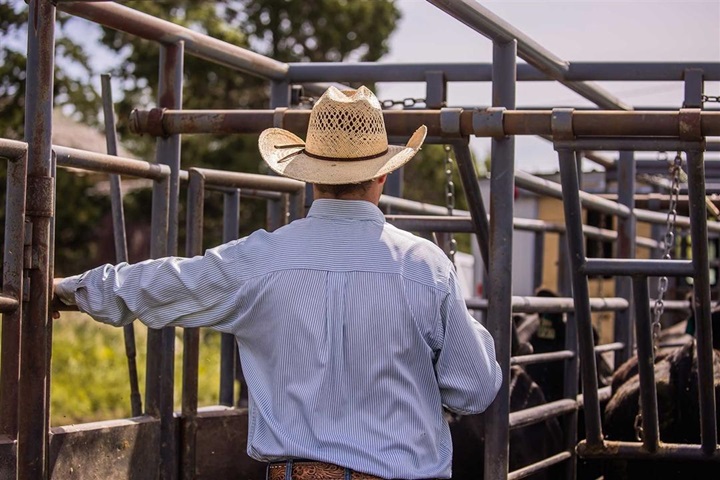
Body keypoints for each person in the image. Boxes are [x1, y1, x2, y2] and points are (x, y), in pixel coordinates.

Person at [54, 86, 502, 480]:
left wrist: (72, 289)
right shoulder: (426, 266)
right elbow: (475, 388)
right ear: (383, 174)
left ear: (307, 176)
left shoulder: (260, 259)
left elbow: (167, 282)